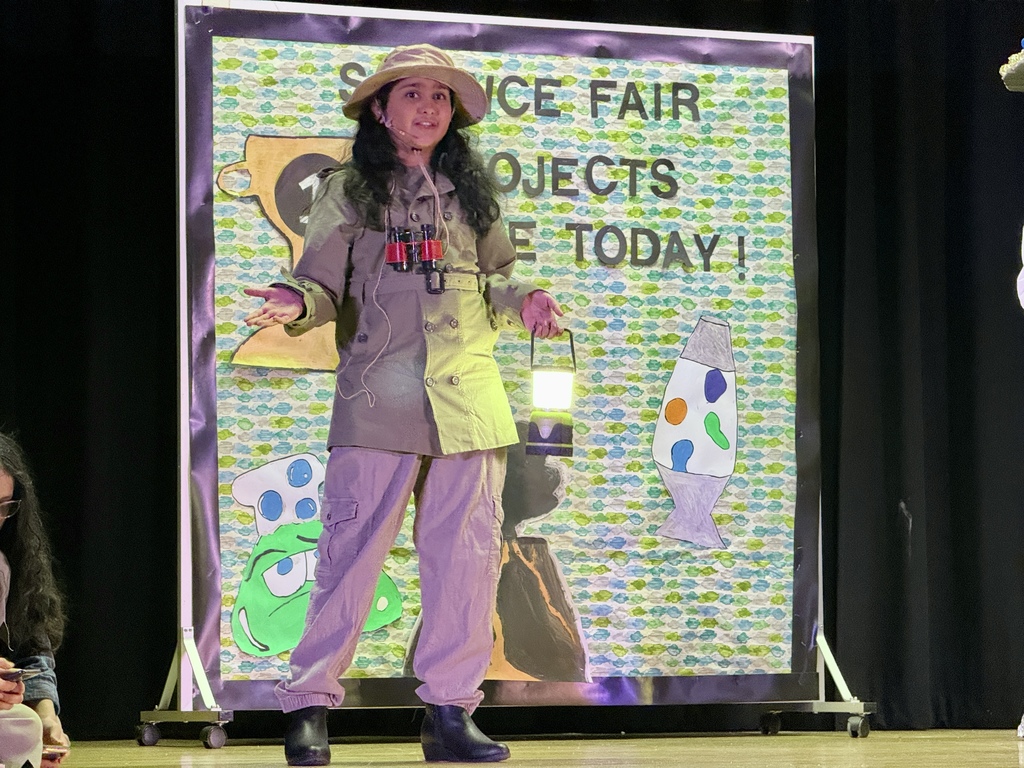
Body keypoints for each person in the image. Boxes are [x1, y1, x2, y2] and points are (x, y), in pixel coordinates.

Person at [243, 43, 565, 766]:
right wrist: (294, 301)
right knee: (349, 560)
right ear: (381, 108)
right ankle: (308, 708)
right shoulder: (349, 188)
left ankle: (451, 713)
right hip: (377, 403)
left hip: (472, 404)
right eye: (412, 93)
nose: (427, 107)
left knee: (466, 565)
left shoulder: (471, 189)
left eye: (441, 97)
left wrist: (530, 300)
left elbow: (499, 277)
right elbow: (320, 285)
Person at [0, 432, 69, 768]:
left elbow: (32, 650)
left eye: (3, 507)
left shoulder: (6, 566)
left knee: (24, 728)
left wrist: (46, 717)